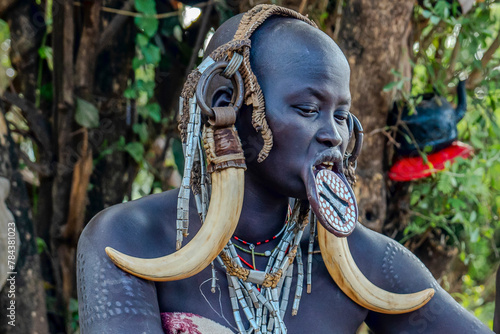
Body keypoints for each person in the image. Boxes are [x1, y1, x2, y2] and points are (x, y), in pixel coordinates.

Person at [77, 5, 494, 334]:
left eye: (342, 115)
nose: (333, 134)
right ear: (226, 104)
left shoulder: (369, 260)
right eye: (309, 109)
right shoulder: (129, 239)